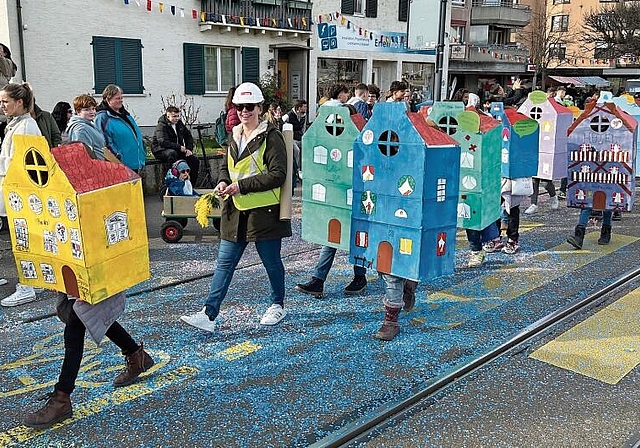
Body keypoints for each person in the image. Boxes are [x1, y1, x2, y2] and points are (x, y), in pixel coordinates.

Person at [23, 93, 154, 428]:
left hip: (96, 258)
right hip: (79, 258)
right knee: (86, 316)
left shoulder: (95, 173)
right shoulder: (68, 166)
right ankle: (135, 355)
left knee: (78, 322)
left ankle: (62, 396)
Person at [180, 82, 291, 331]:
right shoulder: (235, 133)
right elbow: (227, 167)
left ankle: (277, 305)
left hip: (265, 211)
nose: (244, 111)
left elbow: (278, 174)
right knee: (224, 263)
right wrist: (222, 181)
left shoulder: (271, 137)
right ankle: (209, 314)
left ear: (260, 108)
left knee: (271, 262)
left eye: (249, 107)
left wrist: (241, 186)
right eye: (239, 106)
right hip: (236, 209)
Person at [0, 83, 42, 305]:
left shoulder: (26, 126)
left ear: (19, 102)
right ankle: (29, 282)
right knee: (22, 239)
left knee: (24, 240)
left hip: (22, 194)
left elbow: (24, 163)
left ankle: (27, 285)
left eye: (5, 101)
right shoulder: (17, 125)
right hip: (16, 192)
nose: (2, 106)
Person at [94, 84, 145, 172]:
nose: (121, 100)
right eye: (117, 98)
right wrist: (117, 156)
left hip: (134, 162)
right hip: (119, 165)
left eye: (121, 98)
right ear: (108, 99)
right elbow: (103, 142)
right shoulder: (103, 117)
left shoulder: (124, 114)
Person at [151, 106, 199, 186]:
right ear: (168, 116)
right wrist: (179, 147)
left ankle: (190, 185)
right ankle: (172, 183)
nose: (176, 118)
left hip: (176, 149)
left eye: (177, 116)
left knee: (194, 160)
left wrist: (189, 149)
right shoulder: (162, 126)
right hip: (160, 150)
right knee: (172, 155)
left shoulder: (179, 123)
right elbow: (162, 142)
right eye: (174, 116)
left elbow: (188, 136)